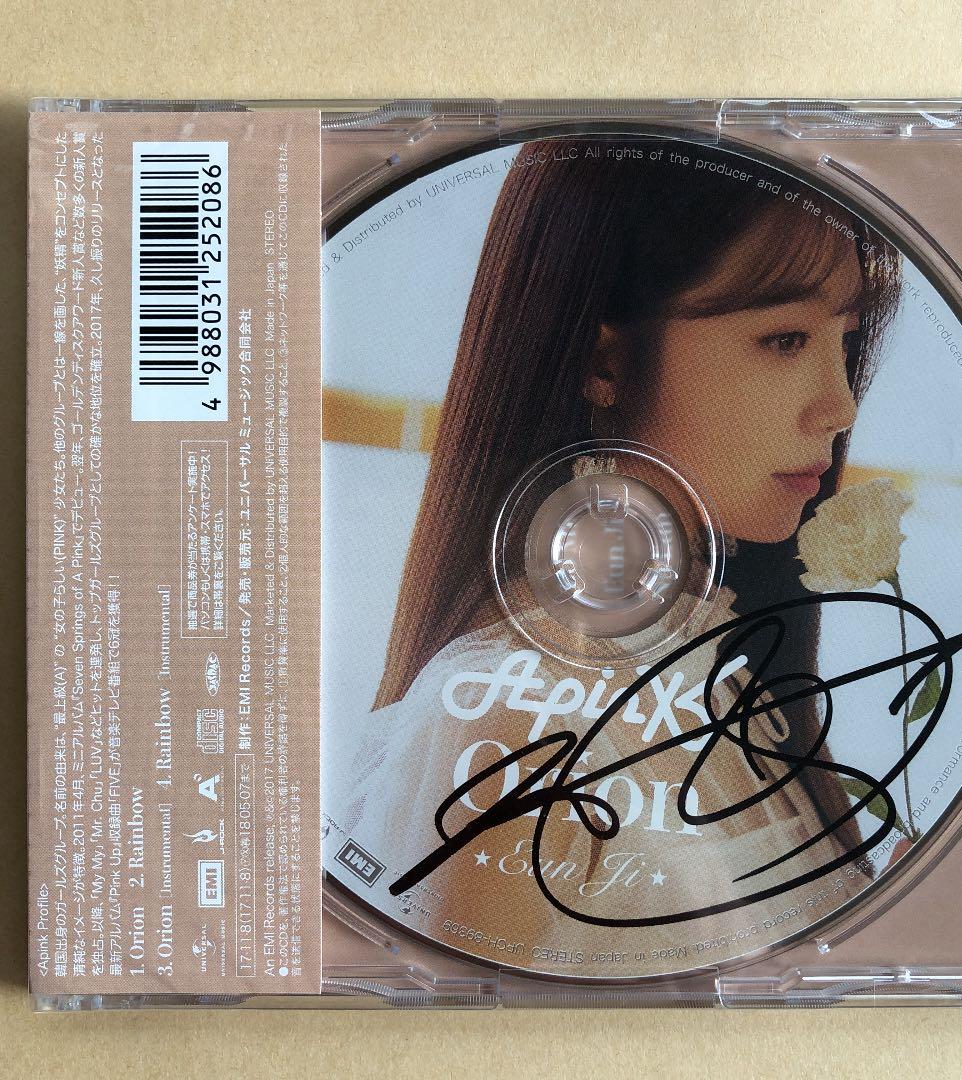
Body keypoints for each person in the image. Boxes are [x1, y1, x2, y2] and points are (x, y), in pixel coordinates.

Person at [323, 137, 903, 970]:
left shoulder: (718, 680)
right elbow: (459, 1026)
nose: (839, 407)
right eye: (785, 340)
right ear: (605, 359)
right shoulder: (505, 720)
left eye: (845, 341)